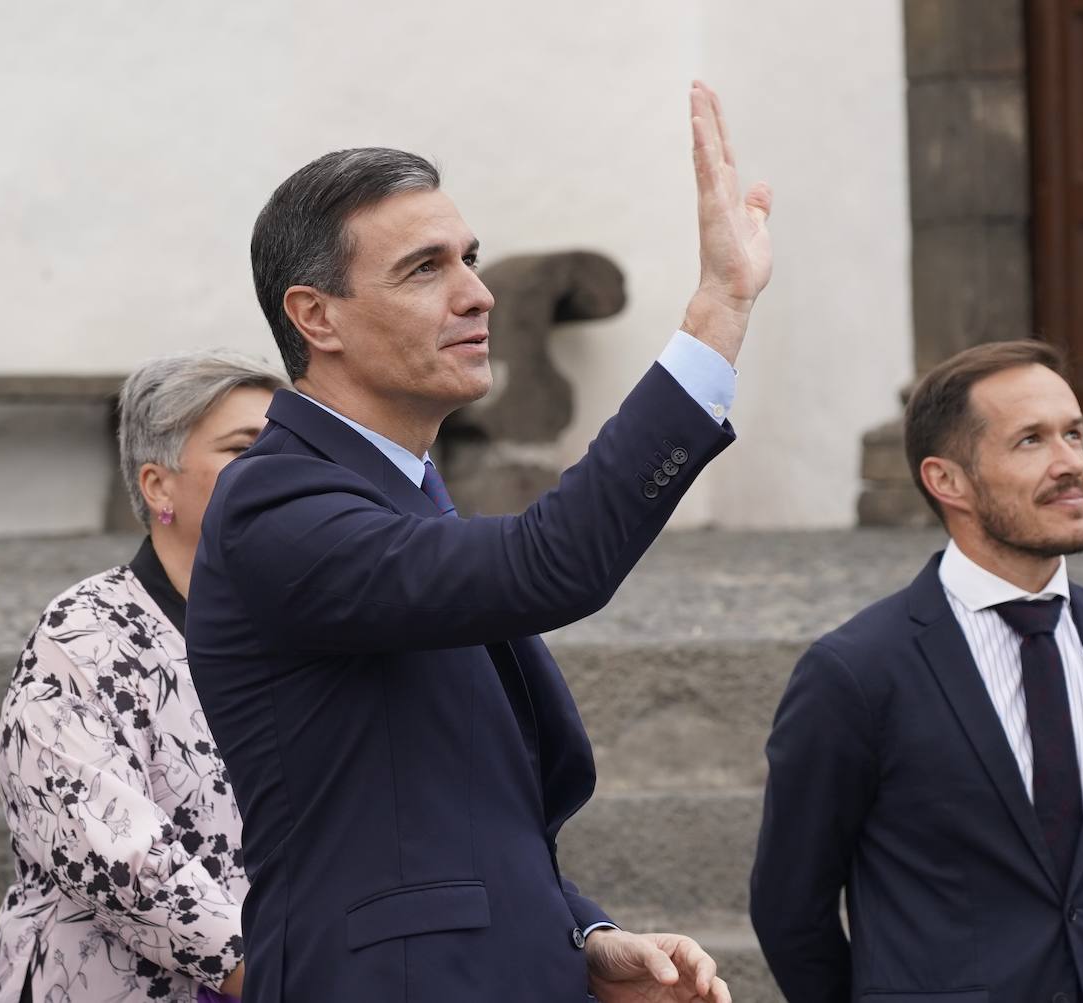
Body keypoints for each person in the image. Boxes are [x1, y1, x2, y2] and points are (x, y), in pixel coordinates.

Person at [184, 82, 768, 1002]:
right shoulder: (278, 505)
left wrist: (582, 933)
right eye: (425, 269)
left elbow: (451, 808)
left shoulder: (399, 489)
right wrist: (716, 316)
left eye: (470, 257)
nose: (477, 293)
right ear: (316, 317)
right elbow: (553, 561)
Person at [750, 340, 1083, 1003]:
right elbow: (788, 908)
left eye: (1074, 434)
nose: (1072, 465)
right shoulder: (857, 671)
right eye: (1031, 441)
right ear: (946, 480)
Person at [0, 350, 287, 1003]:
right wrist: (282, 976)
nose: (282, 466)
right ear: (157, 486)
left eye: (288, 444)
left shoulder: (305, 626)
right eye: (243, 447)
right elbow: (120, 858)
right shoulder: (82, 636)